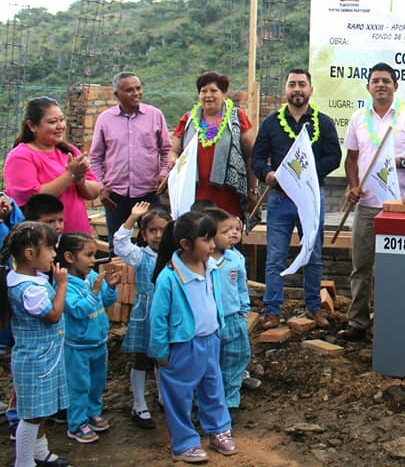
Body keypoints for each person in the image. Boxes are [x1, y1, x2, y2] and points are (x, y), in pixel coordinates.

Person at [338, 63, 405, 342]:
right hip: (366, 205)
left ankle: (395, 321)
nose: (380, 85)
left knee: (397, 266)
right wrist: (353, 186)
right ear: (368, 87)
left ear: (395, 86)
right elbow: (351, 159)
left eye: (386, 81)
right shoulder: (357, 118)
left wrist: (400, 162)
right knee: (361, 266)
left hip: (399, 205)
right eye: (375, 80)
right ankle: (358, 322)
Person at [251, 69, 341, 330]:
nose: (297, 89)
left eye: (302, 84)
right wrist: (267, 174)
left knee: (313, 255)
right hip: (279, 200)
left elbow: (333, 157)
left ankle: (313, 307)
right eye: (292, 84)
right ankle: (272, 310)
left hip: (311, 200)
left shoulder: (323, 123)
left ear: (311, 90)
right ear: (286, 90)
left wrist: (308, 175)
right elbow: (257, 158)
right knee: (275, 257)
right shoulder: (270, 123)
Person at [149, 211, 235, 462]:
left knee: (213, 389)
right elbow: (158, 319)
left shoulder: (210, 268)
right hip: (182, 346)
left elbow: (214, 300)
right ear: (185, 244)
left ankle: (219, 431)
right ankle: (184, 443)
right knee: (179, 397)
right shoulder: (169, 277)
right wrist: (161, 352)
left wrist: (219, 330)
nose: (212, 245)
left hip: (210, 341)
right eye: (206, 240)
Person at [0, 221, 71, 467]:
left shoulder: (29, 278)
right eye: (50, 248)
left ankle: (40, 452)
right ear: (30, 254)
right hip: (36, 360)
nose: (54, 254)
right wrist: (62, 285)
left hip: (43, 357)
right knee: (31, 416)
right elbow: (52, 316)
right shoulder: (29, 289)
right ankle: (24, 462)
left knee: (40, 410)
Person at [89, 72, 171, 250]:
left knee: (155, 247)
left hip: (149, 194)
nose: (136, 93)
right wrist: (101, 187)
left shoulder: (155, 115)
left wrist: (163, 174)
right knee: (117, 248)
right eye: (129, 90)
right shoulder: (105, 119)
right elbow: (94, 158)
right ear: (117, 95)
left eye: (138, 88)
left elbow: (166, 150)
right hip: (116, 196)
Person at [3, 97, 100, 234]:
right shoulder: (20, 156)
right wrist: (70, 175)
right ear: (32, 126)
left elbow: (94, 191)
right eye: (52, 122)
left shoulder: (69, 150)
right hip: (43, 240)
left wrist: (80, 180)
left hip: (78, 236)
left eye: (61, 120)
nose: (60, 126)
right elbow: (33, 198)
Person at [57, 232, 119, 443]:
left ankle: (92, 413)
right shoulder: (65, 285)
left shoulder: (92, 277)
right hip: (77, 347)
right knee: (79, 385)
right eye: (89, 255)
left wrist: (110, 287)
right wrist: (93, 293)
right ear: (69, 257)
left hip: (98, 342)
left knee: (96, 382)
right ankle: (76, 424)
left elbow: (107, 302)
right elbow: (76, 310)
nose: (94, 260)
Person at [114, 202, 171, 429]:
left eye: (163, 230)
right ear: (144, 235)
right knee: (141, 359)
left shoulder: (175, 256)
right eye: (152, 231)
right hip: (145, 315)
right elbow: (120, 244)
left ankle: (163, 397)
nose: (158, 235)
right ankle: (139, 404)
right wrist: (132, 217)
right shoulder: (140, 256)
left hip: (166, 316)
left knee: (163, 358)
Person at [169, 72, 256, 218]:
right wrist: (172, 159)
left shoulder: (237, 117)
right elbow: (174, 150)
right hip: (194, 192)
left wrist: (252, 190)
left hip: (227, 194)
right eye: (203, 91)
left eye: (214, 90)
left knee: (226, 233)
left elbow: (252, 154)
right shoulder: (188, 119)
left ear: (224, 93)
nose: (208, 95)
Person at [204, 208, 250, 420]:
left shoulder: (235, 259)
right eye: (226, 231)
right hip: (209, 323)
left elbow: (241, 285)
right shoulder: (202, 262)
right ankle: (207, 403)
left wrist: (243, 310)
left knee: (235, 360)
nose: (233, 233)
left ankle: (231, 402)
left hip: (233, 319)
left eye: (236, 229)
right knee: (209, 365)